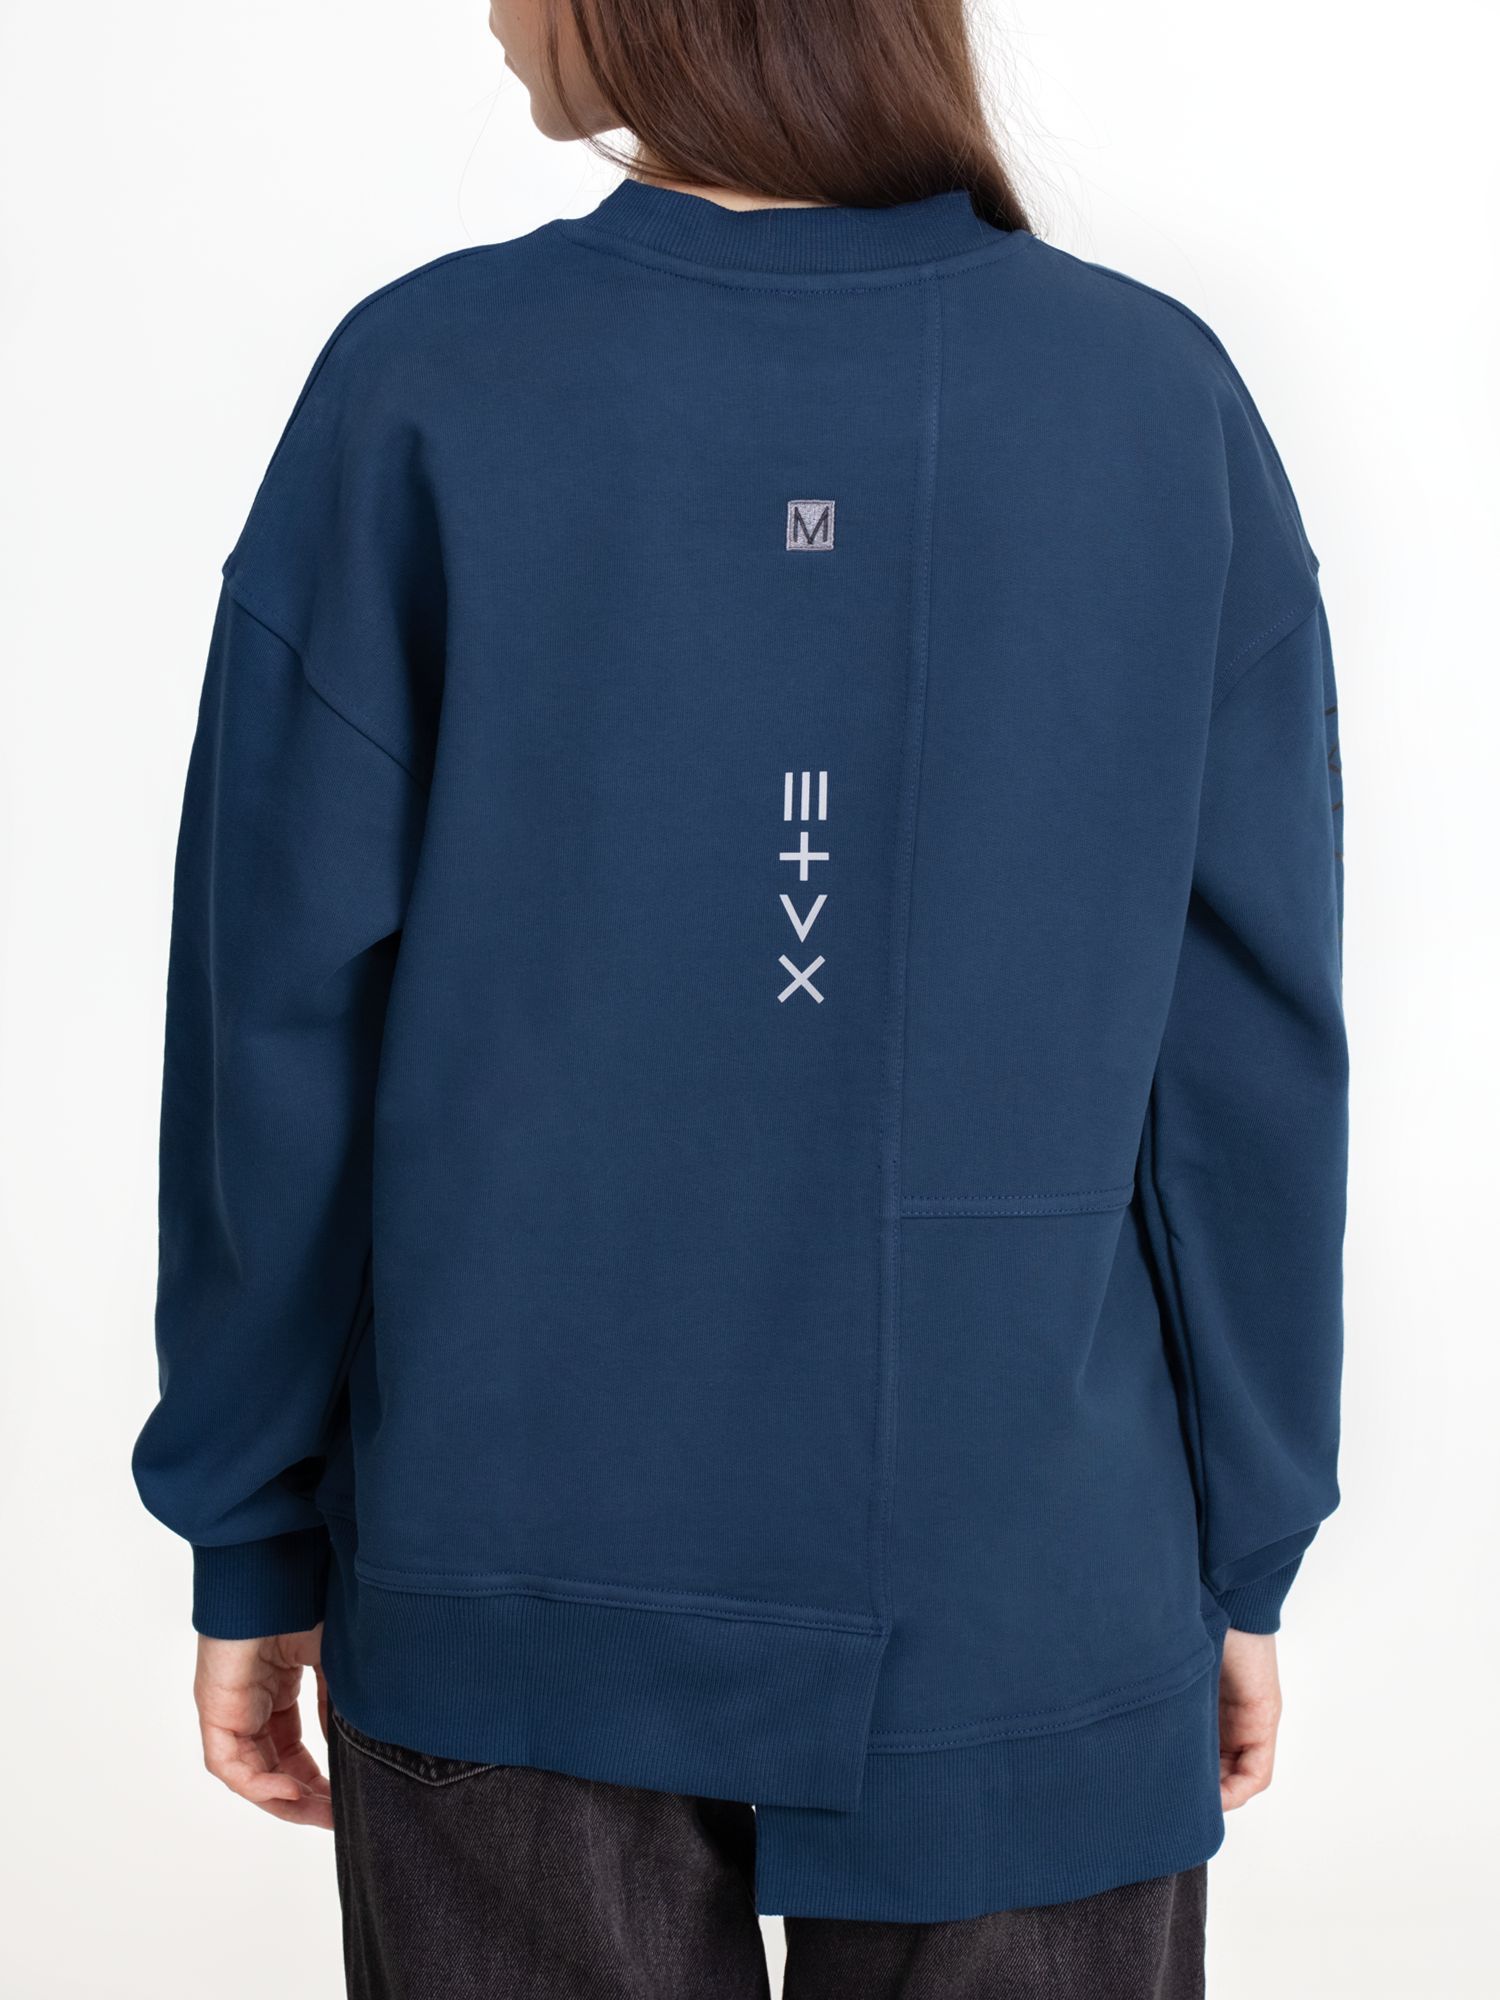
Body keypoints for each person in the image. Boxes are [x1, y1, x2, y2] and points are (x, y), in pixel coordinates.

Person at [134, 0, 1347, 1992]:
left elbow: (273, 1032)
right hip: (1031, 1558)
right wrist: (1238, 1543)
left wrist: (251, 1521)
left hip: (513, 1547)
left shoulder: (431, 382)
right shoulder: (1151, 400)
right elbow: (1250, 1063)